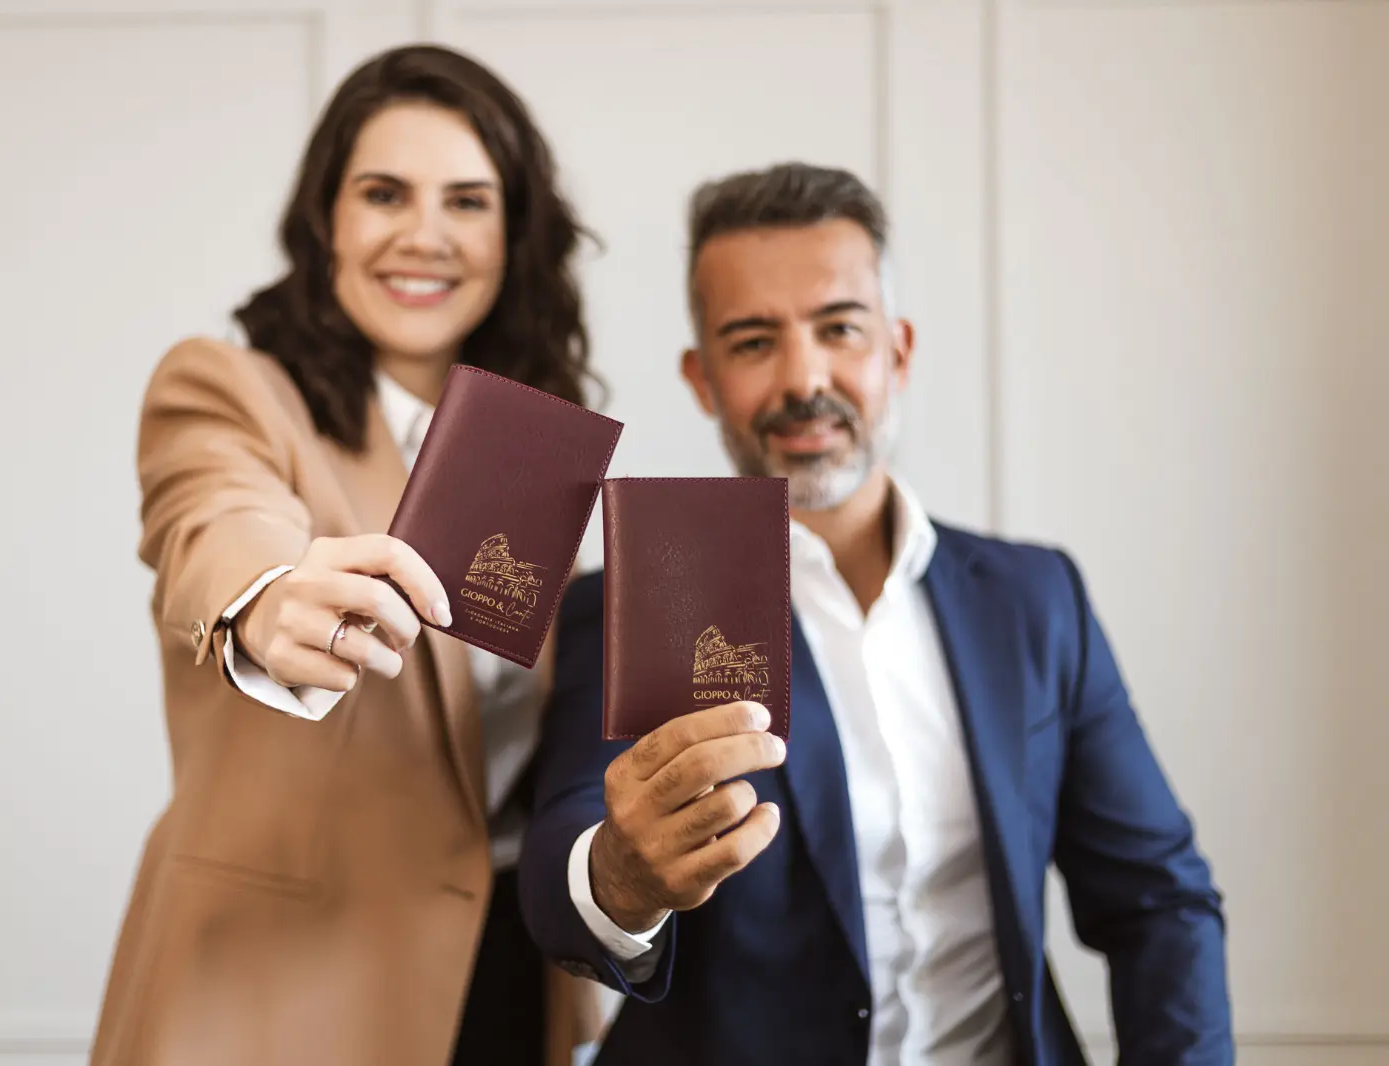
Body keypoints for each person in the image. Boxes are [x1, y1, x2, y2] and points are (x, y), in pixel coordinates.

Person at [518, 163, 1233, 1065]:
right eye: (751, 342)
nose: (803, 378)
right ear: (702, 380)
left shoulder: (1036, 600)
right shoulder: (637, 599)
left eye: (839, 329)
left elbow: (1159, 900)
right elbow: (558, 877)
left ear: (897, 349)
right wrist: (620, 874)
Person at [89, 44, 603, 1066]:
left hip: (504, 973)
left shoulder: (533, 445)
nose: (424, 235)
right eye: (383, 193)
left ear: (515, 233)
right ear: (325, 217)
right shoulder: (234, 390)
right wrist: (267, 594)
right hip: (277, 994)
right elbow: (215, 512)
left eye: (467, 200)